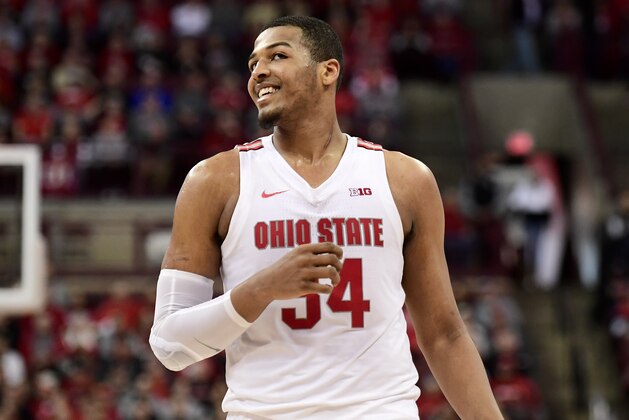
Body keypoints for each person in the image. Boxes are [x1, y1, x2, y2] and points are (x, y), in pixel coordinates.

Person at [149, 15, 503, 419]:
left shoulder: (406, 180)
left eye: (277, 56)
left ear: (328, 71)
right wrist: (261, 289)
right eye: (252, 64)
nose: (259, 72)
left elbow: (444, 335)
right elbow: (170, 345)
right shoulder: (214, 180)